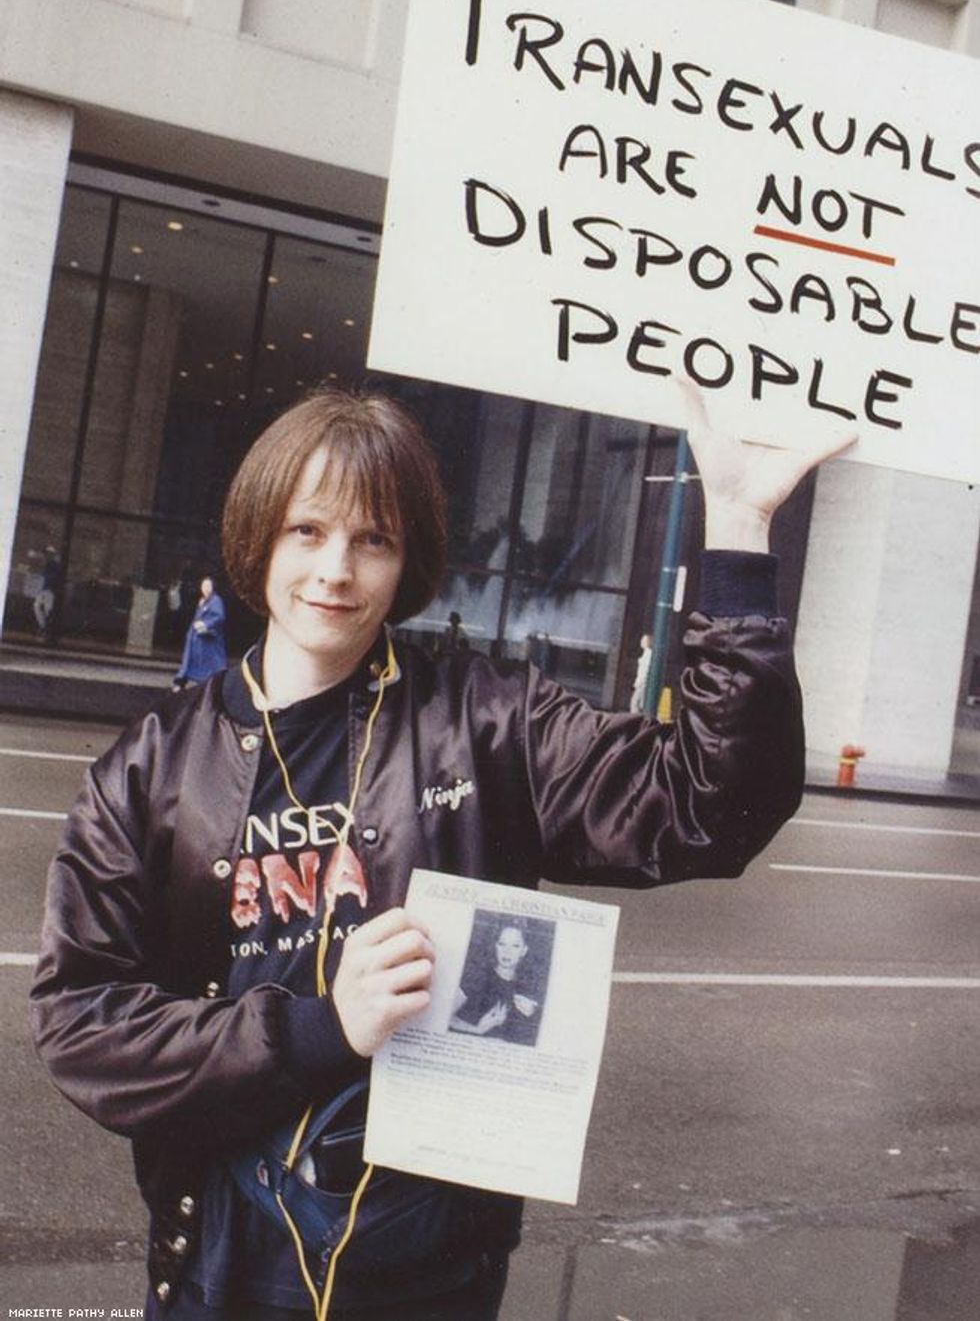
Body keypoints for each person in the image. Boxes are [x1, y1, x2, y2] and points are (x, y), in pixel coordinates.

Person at [30, 384, 851, 1321]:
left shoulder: (489, 720)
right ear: (259, 535)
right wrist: (320, 1027)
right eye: (307, 530)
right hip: (220, 1256)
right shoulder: (152, 764)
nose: (335, 570)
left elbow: (712, 805)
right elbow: (84, 1022)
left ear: (408, 555)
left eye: (372, 539)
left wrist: (740, 535)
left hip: (428, 1263)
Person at [450, 920, 546, 1046]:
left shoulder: (528, 988)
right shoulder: (476, 977)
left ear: (524, 951)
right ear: (496, 946)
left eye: (515, 946)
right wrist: (477, 1030)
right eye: (502, 944)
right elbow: (444, 1017)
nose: (507, 951)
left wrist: (535, 1014)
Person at [172, 576, 227, 690]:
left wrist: (206, 624)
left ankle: (205, 683)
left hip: (207, 640)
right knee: (192, 661)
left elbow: (219, 616)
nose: (205, 588)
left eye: (208, 586)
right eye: (203, 586)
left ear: (212, 587)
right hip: (197, 639)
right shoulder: (203, 601)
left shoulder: (216, 600)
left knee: (209, 663)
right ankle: (181, 681)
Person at [629, 632, 653, 713]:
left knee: (635, 704)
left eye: (643, 640)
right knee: (639, 704)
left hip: (642, 684)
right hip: (642, 683)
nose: (641, 641)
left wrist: (637, 684)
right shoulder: (646, 653)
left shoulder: (648, 654)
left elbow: (644, 672)